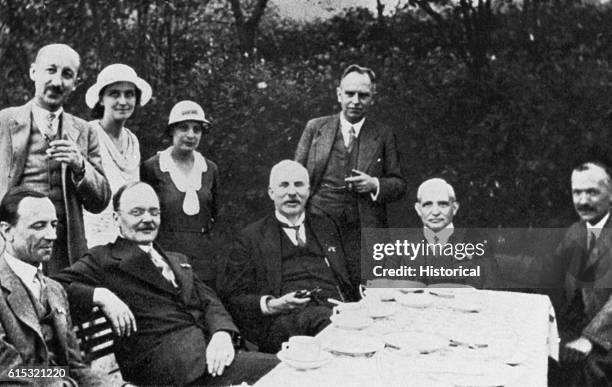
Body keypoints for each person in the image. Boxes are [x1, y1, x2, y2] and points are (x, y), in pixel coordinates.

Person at [53, 182, 277, 386]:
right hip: (171, 372)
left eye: (154, 212)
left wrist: (222, 333)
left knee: (290, 369)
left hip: (214, 356)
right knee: (286, 372)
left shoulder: (177, 259)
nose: (147, 219)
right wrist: (100, 295)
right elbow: (53, 285)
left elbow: (210, 301)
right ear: (115, 219)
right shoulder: (104, 259)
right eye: (137, 212)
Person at [223, 160, 357, 353]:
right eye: (284, 185)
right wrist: (273, 304)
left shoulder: (327, 226)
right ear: (271, 193)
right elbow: (234, 298)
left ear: (309, 191)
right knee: (328, 323)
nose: (292, 192)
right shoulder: (250, 237)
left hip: (337, 311)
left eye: (299, 185)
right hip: (283, 322)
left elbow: (351, 276)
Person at [0, 43, 111, 274]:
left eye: (67, 74)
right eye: (50, 70)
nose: (57, 82)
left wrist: (80, 166)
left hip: (64, 250)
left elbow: (100, 201)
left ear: (76, 83)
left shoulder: (84, 131)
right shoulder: (4, 122)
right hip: (14, 247)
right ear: (33, 72)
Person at [295, 64, 406, 287]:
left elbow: (399, 184)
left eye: (363, 95)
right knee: (325, 284)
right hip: (319, 222)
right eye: (350, 94)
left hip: (362, 226)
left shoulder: (383, 134)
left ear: (372, 97)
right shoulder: (316, 128)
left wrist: (375, 184)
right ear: (339, 94)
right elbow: (295, 175)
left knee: (362, 286)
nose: (356, 101)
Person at [0, 187, 118, 386]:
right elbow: (7, 371)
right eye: (39, 226)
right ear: (6, 231)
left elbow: (73, 367)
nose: (52, 235)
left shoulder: (55, 290)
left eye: (53, 225)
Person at [546, 162, 612, 386]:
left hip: (604, 338)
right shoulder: (576, 232)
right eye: (577, 192)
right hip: (581, 332)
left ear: (611, 194)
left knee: (588, 369)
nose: (583, 201)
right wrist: (490, 264)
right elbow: (547, 272)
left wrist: (590, 339)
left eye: (592, 192)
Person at [141, 100, 219, 288]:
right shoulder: (152, 167)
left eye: (197, 129)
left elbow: (214, 214)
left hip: (203, 261)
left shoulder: (210, 169)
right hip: (165, 257)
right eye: (184, 128)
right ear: (172, 131)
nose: (191, 135)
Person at [83, 63, 152, 248]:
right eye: (114, 94)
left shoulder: (132, 141)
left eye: (129, 94)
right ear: (101, 99)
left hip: (126, 235)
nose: (123, 101)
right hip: (92, 236)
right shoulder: (88, 133)